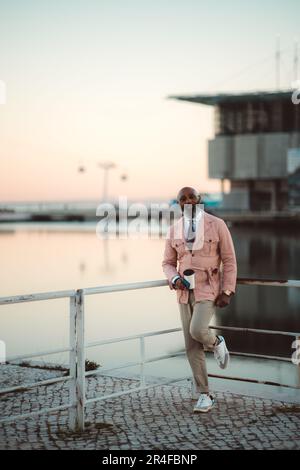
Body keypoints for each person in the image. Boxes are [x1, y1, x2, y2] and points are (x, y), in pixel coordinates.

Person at [162, 187, 237, 413]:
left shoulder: (217, 224)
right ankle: (205, 395)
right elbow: (167, 262)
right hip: (184, 293)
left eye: (191, 197)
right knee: (191, 346)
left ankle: (217, 342)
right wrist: (174, 277)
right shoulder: (174, 229)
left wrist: (227, 291)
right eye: (182, 199)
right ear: (179, 204)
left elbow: (229, 260)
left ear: (198, 199)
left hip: (209, 289)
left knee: (198, 331)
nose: (187, 201)